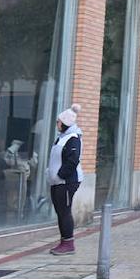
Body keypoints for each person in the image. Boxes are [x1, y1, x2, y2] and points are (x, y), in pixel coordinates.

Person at [47, 103, 84, 255]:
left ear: (64, 123)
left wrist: (61, 175)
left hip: (67, 182)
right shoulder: (61, 138)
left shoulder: (73, 138)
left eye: (58, 122)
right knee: (60, 211)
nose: (57, 124)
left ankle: (68, 243)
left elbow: (72, 160)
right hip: (57, 182)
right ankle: (64, 241)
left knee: (64, 211)